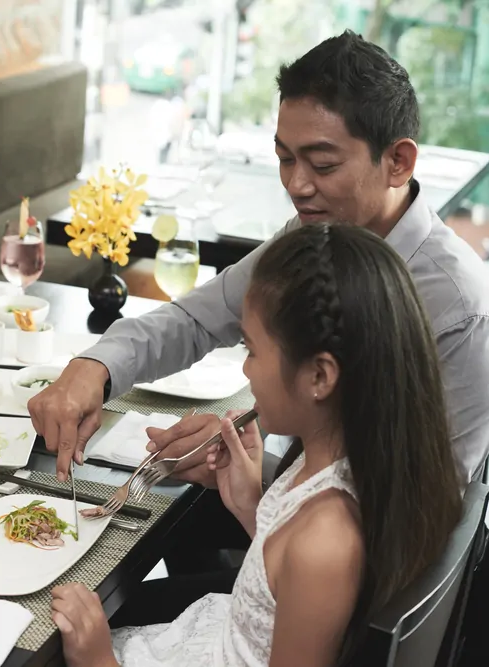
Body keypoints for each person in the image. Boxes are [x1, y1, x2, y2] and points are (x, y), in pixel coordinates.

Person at [29, 30, 489, 488]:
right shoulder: (315, 233)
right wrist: (97, 367)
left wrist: (260, 476)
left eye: (323, 165)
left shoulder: (459, 308)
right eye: (285, 159)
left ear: (399, 161)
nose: (296, 185)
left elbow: (436, 501)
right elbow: (198, 318)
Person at [50, 224, 462, 667]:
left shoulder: (325, 541)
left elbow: (307, 574)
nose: (246, 372)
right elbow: (279, 599)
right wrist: (252, 509)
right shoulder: (337, 461)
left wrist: (98, 662)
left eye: (251, 350)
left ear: (320, 377)